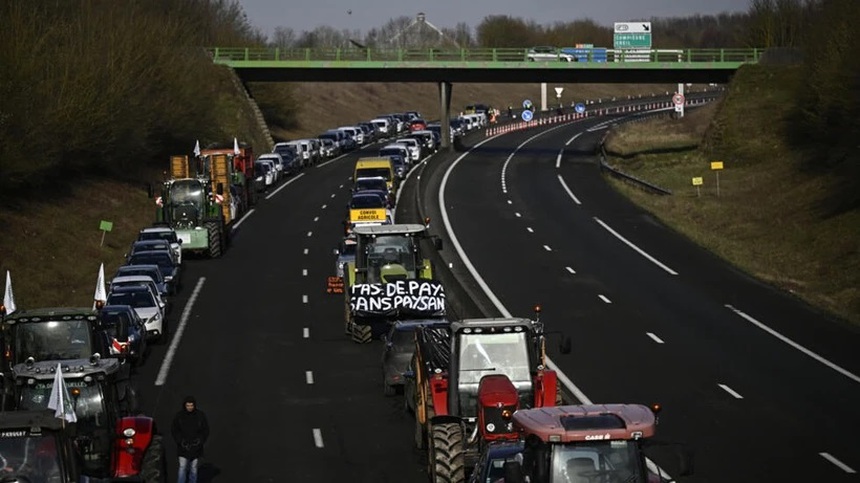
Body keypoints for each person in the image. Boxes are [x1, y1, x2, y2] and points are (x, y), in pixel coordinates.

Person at [172, 396, 209, 483]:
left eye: (191, 405)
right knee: (183, 467)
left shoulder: (200, 416)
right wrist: (181, 441)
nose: (190, 407)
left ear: (194, 405)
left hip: (196, 448)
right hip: (183, 448)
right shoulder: (179, 416)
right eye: (188, 405)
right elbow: (174, 430)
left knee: (193, 468)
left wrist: (200, 440)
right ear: (185, 405)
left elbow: (205, 430)